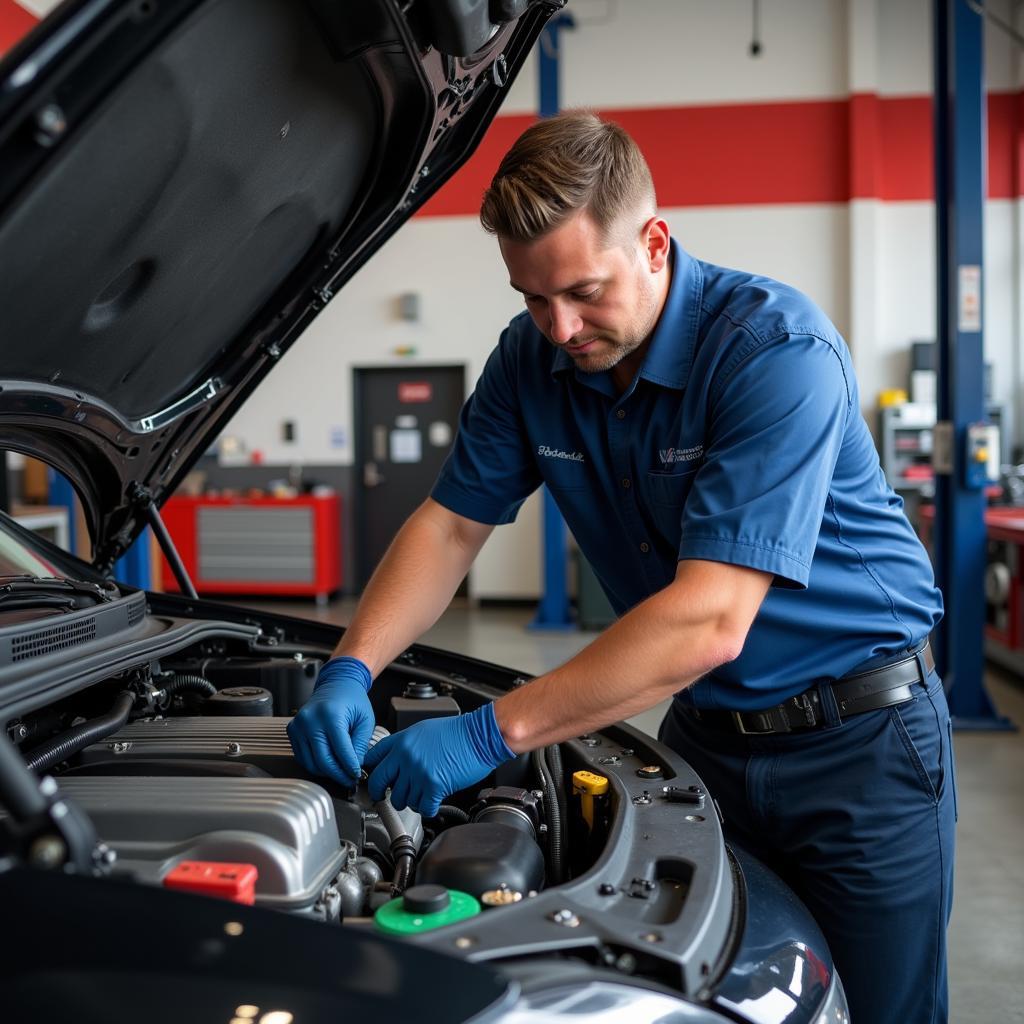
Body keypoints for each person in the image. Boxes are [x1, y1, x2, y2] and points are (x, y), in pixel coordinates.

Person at [288, 111, 955, 1024]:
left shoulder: (772, 353)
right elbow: (449, 527)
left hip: (861, 747)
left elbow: (710, 620)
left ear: (653, 241)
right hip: (710, 740)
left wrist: (490, 735)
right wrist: (350, 665)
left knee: (880, 1011)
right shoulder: (530, 361)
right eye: (531, 298)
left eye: (584, 292)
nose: (559, 327)